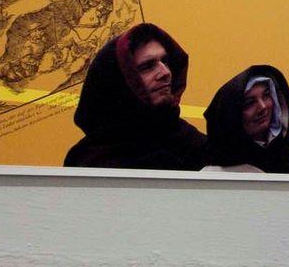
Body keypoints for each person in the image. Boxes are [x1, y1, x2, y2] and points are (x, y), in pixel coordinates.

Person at [63, 24, 208, 170]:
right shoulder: (89, 164)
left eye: (165, 61)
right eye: (147, 67)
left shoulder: (194, 144)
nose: (165, 72)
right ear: (118, 82)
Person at [203, 64, 289, 174]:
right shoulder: (216, 172)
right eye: (250, 103)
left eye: (266, 95)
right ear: (232, 116)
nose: (263, 107)